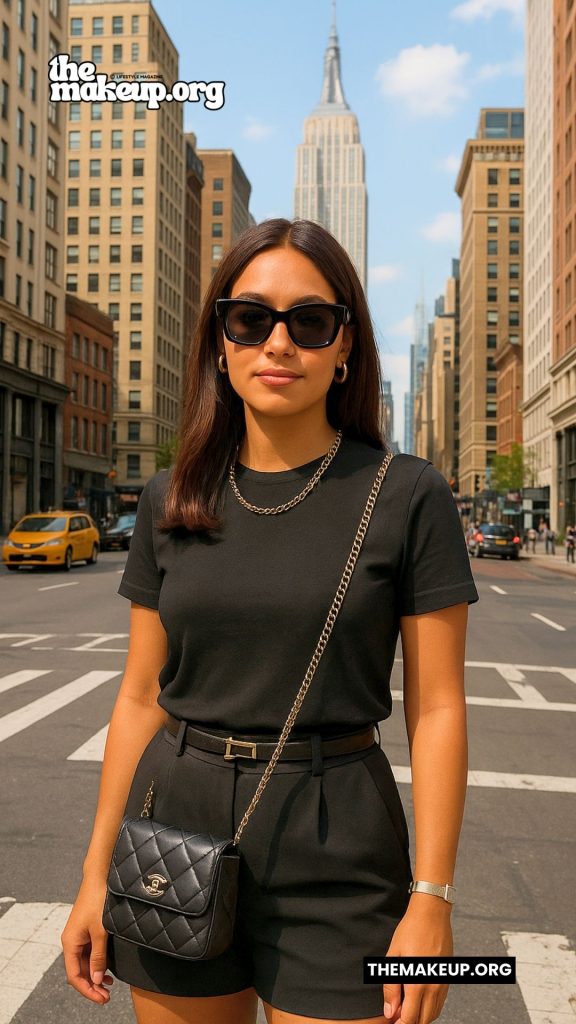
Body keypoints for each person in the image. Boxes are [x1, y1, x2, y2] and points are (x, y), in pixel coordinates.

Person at [60, 218, 479, 1024]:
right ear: (221, 341)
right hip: (172, 827)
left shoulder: (408, 495)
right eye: (251, 319)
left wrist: (431, 899)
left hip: (341, 841)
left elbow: (438, 708)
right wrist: (92, 873)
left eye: (309, 322)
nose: (277, 344)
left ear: (344, 345)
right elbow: (140, 699)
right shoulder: (170, 498)